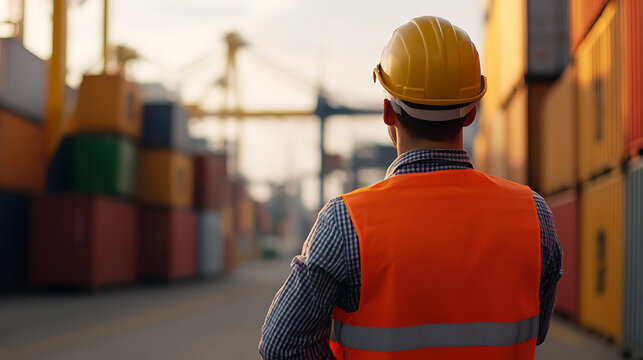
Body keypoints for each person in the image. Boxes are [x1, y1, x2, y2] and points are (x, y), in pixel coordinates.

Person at [259, 16, 562, 359]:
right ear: (470, 114)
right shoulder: (533, 214)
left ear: (388, 112)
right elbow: (535, 333)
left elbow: (282, 345)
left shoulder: (346, 222)